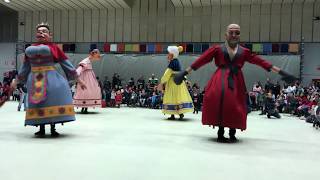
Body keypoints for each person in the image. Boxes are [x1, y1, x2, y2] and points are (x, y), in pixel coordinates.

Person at [174, 24, 297, 142]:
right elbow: (201, 60)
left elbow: (261, 62)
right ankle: (220, 131)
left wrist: (282, 73)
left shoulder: (244, 51)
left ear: (239, 35)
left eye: (237, 33)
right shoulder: (217, 49)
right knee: (219, 101)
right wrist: (184, 72)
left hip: (236, 80)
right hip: (220, 79)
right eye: (231, 32)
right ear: (225, 35)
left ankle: (232, 131)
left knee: (236, 104)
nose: (234, 35)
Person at [12, 22, 86, 136]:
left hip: (51, 79)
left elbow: (66, 64)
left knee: (51, 101)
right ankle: (41, 128)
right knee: (38, 104)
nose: (41, 33)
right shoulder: (30, 49)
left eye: (44, 31)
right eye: (39, 31)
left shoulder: (54, 48)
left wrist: (79, 80)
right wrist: (16, 81)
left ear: (50, 35)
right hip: (34, 80)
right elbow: (25, 67)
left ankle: (53, 127)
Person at [158, 46, 193, 120]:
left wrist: (162, 81)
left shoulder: (172, 62)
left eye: (169, 53)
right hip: (179, 82)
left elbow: (167, 73)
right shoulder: (177, 62)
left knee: (172, 97)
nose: (168, 55)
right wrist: (185, 79)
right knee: (179, 97)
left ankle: (173, 114)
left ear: (172, 54)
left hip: (172, 83)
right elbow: (181, 72)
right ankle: (180, 114)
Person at [73, 49, 102, 114]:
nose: (99, 56)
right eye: (98, 54)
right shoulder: (85, 61)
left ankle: (86, 107)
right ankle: (84, 107)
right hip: (85, 80)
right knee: (86, 92)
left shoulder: (89, 61)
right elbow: (78, 70)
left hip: (90, 81)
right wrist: (78, 77)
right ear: (94, 54)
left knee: (92, 91)